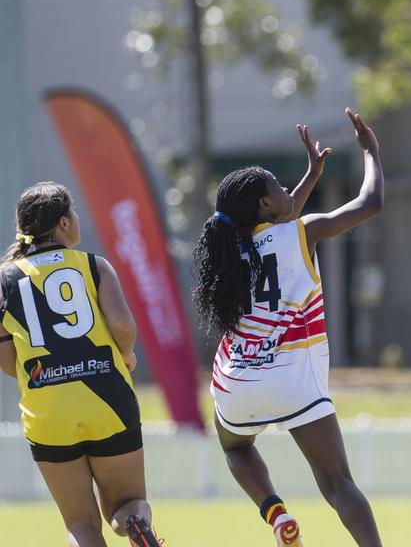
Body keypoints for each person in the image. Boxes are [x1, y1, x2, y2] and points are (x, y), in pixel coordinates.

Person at [193, 111, 383, 547]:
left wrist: (311, 174)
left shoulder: (229, 251)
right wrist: (371, 152)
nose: (285, 191)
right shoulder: (302, 233)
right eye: (277, 186)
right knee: (338, 485)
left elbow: (282, 215)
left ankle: (275, 512)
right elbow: (369, 204)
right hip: (295, 380)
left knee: (235, 448)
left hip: (237, 382)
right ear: (264, 205)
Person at [0, 182, 163, 547]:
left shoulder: (4, 279)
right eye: (73, 213)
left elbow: (9, 364)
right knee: (127, 504)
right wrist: (128, 353)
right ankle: (135, 524)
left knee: (80, 524)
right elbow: (122, 325)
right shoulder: (93, 265)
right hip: (108, 400)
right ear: (63, 223)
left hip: (48, 412)